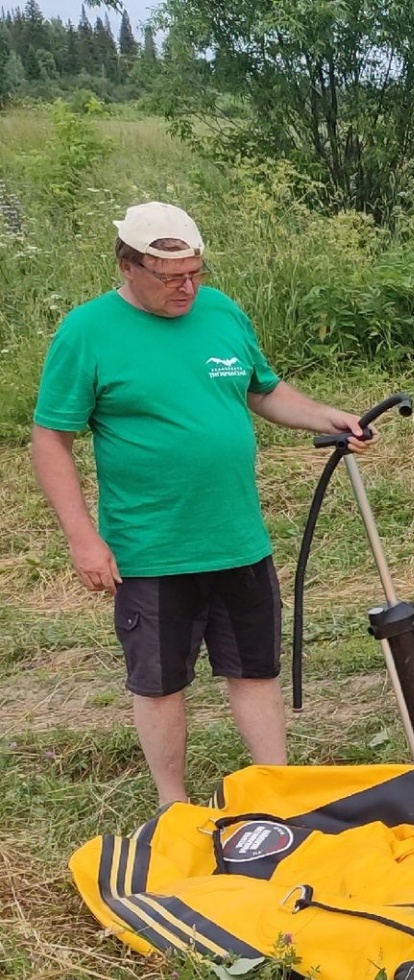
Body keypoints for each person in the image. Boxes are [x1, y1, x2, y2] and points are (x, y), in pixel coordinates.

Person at [31, 202, 373, 807]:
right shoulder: (86, 332)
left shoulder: (221, 312)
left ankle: (276, 794)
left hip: (237, 536)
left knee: (254, 669)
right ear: (128, 265)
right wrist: (84, 538)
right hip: (151, 546)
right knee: (160, 682)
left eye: (195, 273)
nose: (186, 287)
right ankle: (174, 805)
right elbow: (51, 438)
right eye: (170, 278)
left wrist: (328, 416)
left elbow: (263, 391)